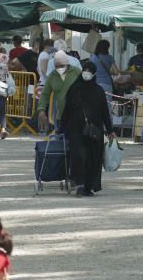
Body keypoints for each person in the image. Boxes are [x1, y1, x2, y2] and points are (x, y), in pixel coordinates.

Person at [59, 61, 115, 195]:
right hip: (76, 129)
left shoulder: (99, 91)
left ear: (94, 73)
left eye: (90, 70)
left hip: (94, 131)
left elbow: (104, 112)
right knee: (79, 156)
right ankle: (80, 185)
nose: (87, 72)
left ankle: (89, 186)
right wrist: (62, 128)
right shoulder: (74, 89)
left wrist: (110, 129)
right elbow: (67, 110)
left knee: (93, 157)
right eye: (85, 69)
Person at [36, 50, 82, 134]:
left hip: (77, 115)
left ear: (67, 64)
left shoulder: (76, 72)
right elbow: (45, 94)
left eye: (62, 66)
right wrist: (41, 109)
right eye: (57, 66)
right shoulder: (52, 76)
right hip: (60, 116)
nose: (59, 68)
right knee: (61, 142)